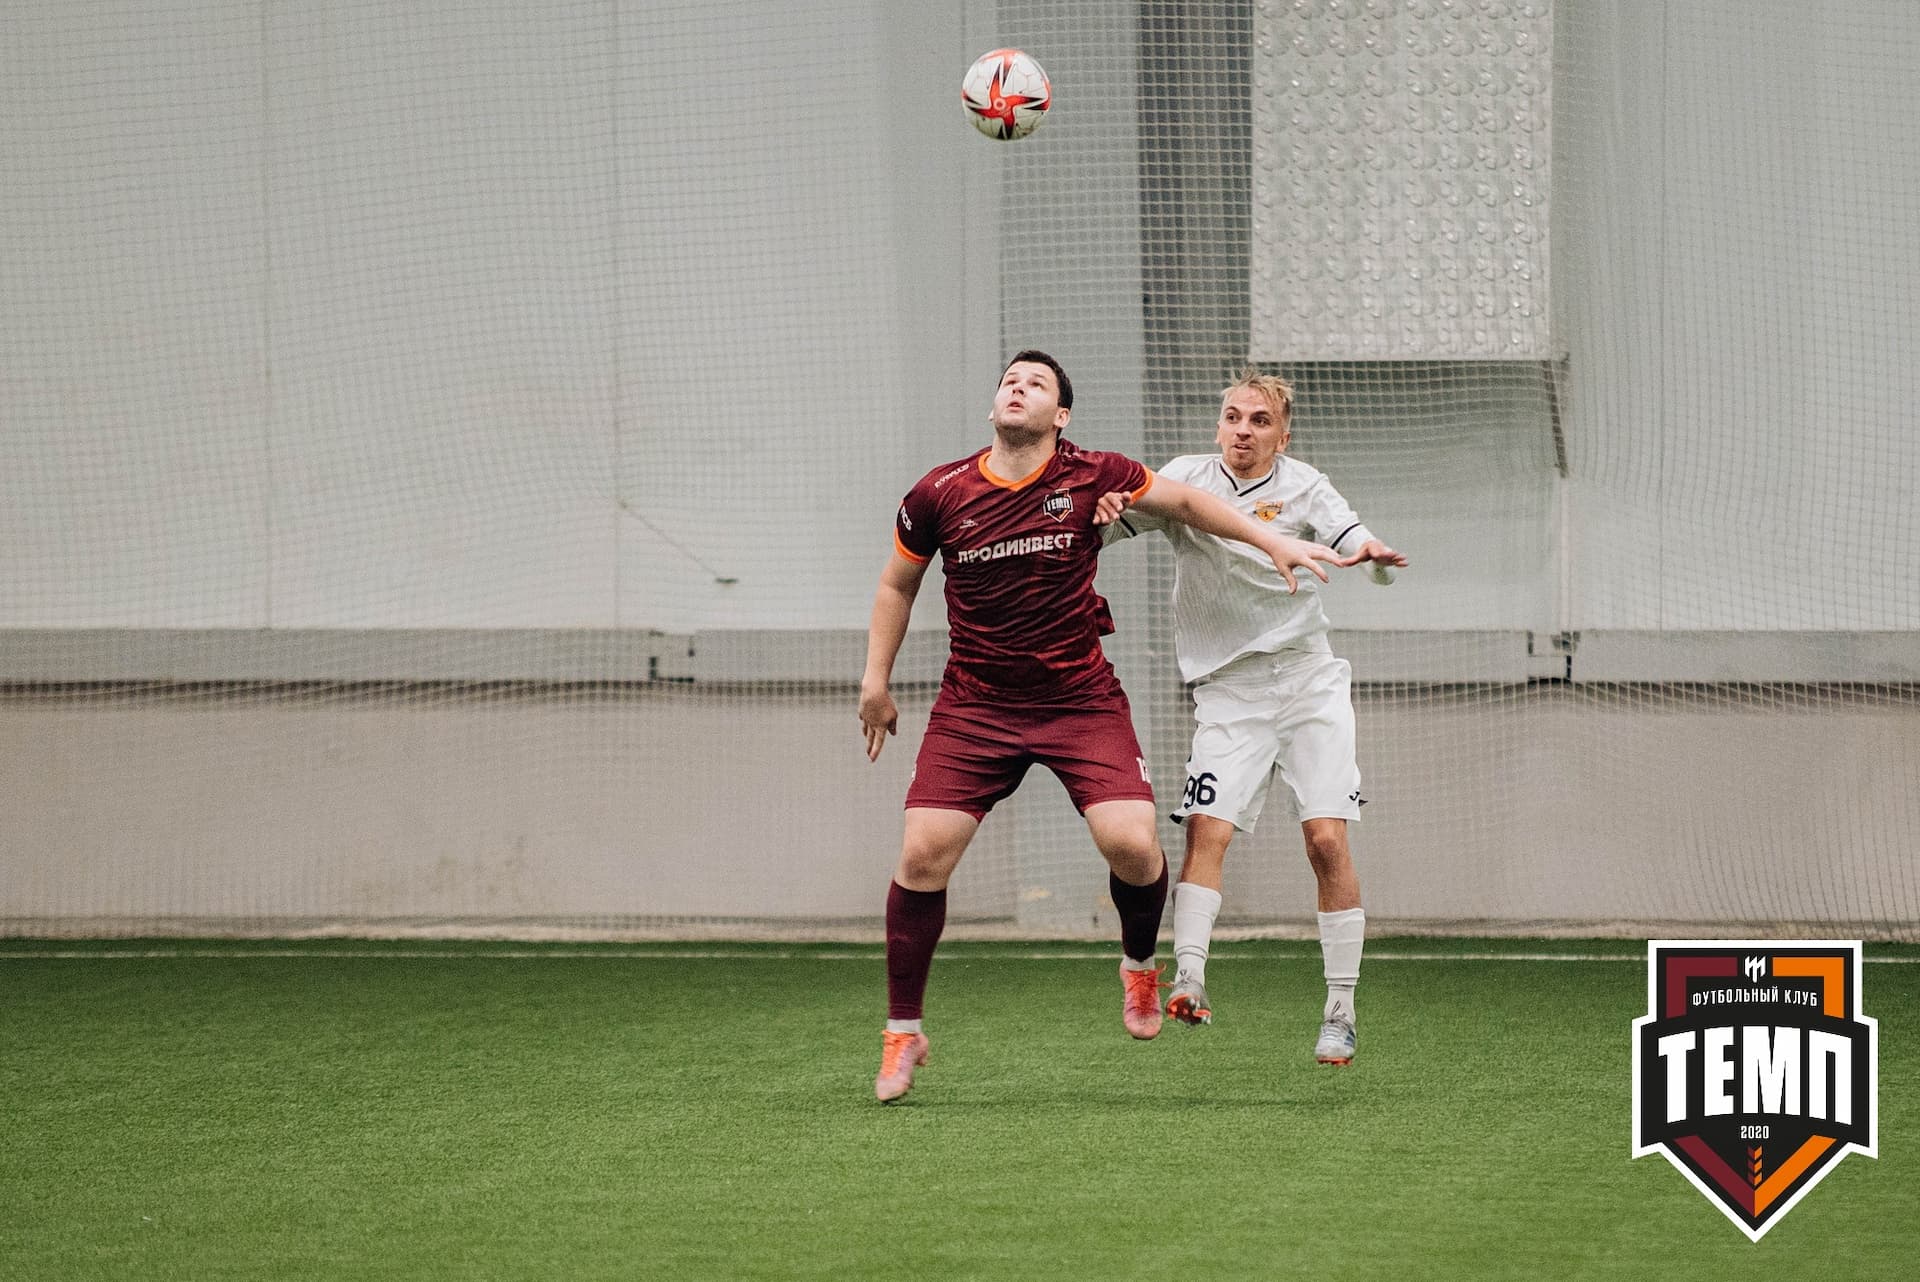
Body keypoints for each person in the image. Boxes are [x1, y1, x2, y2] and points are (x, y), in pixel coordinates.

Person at [859, 351, 1353, 1102]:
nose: (1017, 387)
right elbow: (898, 583)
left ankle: (1138, 966)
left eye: (1036, 383)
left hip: (1079, 700)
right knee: (922, 856)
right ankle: (903, 1031)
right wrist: (875, 681)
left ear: (1060, 416)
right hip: (976, 706)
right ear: (995, 405)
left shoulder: (1096, 475)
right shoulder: (939, 491)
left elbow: (1189, 504)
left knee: (1131, 843)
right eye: (1009, 380)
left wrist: (1273, 539)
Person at [1099, 369, 1406, 1065]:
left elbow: (1362, 546)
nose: (1243, 429)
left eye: (1259, 421)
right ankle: (1190, 978)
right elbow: (1108, 530)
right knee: (1207, 830)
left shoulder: (1305, 485)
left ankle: (1340, 1010)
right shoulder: (1184, 478)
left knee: (1326, 841)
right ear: (1218, 426)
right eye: (1233, 417)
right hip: (1228, 691)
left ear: (1282, 436)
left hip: (1307, 682)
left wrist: (1377, 561)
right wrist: (1099, 513)